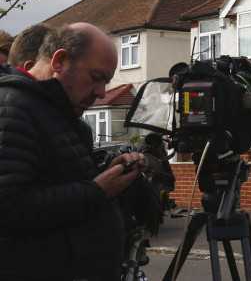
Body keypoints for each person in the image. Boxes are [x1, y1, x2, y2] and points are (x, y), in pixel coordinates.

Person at [0, 22, 147, 280]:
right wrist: (98, 189)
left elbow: (54, 181)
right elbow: (9, 206)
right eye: (96, 77)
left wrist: (106, 175)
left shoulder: (52, 109)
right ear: (59, 60)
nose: (101, 93)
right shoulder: (13, 109)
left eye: (106, 81)